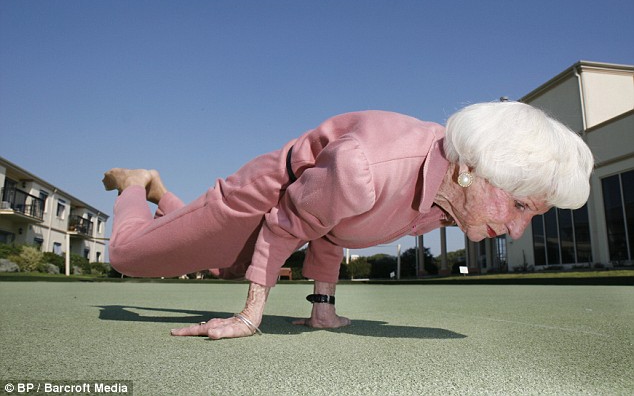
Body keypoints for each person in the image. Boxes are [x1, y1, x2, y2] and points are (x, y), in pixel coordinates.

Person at [103, 101, 593, 340]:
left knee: (220, 266)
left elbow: (336, 228)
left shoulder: (450, 200)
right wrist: (251, 315)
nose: (516, 229)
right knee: (128, 256)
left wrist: (323, 305)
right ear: (472, 171)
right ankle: (136, 183)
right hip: (264, 200)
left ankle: (165, 199)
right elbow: (287, 224)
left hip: (302, 213)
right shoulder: (366, 168)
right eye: (521, 206)